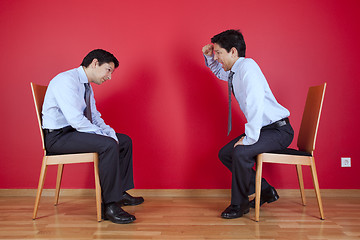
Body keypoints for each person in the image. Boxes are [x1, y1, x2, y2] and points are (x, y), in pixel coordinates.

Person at [42, 49, 144, 224]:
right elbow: (76, 120)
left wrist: (110, 133)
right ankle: (110, 207)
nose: (109, 77)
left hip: (72, 132)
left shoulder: (86, 85)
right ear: (95, 63)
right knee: (108, 145)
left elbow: (94, 117)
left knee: (123, 141)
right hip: (57, 138)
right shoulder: (67, 81)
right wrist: (106, 139)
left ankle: (119, 192)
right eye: (108, 70)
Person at [202, 30, 294, 219]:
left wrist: (250, 138)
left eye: (219, 53)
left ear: (233, 52)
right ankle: (266, 190)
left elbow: (255, 102)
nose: (217, 57)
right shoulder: (235, 71)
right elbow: (219, 71)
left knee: (240, 151)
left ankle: (239, 204)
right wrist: (208, 56)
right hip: (266, 129)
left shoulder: (248, 67)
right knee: (225, 153)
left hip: (279, 130)